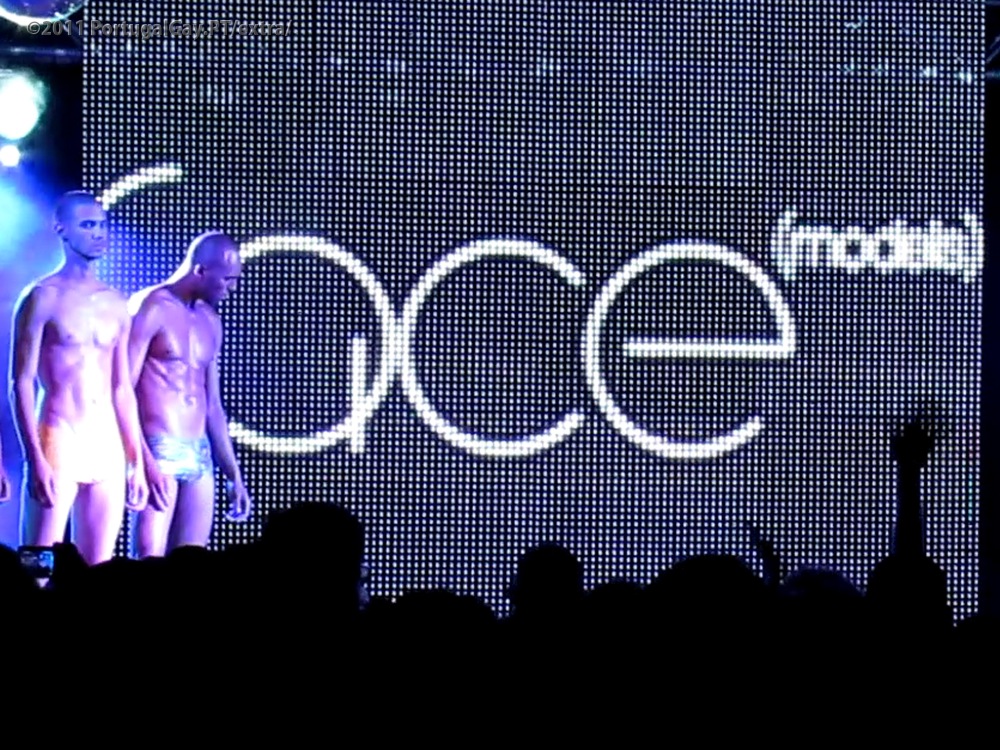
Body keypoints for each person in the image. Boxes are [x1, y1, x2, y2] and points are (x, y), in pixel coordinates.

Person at [9, 191, 147, 564]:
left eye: (102, 225)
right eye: (87, 225)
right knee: (38, 564)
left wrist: (136, 460)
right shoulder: (42, 296)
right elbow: (21, 382)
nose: (98, 233)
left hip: (107, 443)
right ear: (62, 229)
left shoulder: (116, 303)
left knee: (99, 568)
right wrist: (34, 458)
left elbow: (122, 388)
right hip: (59, 435)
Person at [128, 231, 251, 558]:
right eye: (227, 279)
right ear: (200, 270)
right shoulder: (151, 307)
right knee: (149, 561)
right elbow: (122, 389)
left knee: (192, 565)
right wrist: (140, 461)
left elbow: (213, 406)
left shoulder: (210, 320)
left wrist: (234, 475)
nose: (231, 288)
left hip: (200, 454)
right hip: (159, 448)